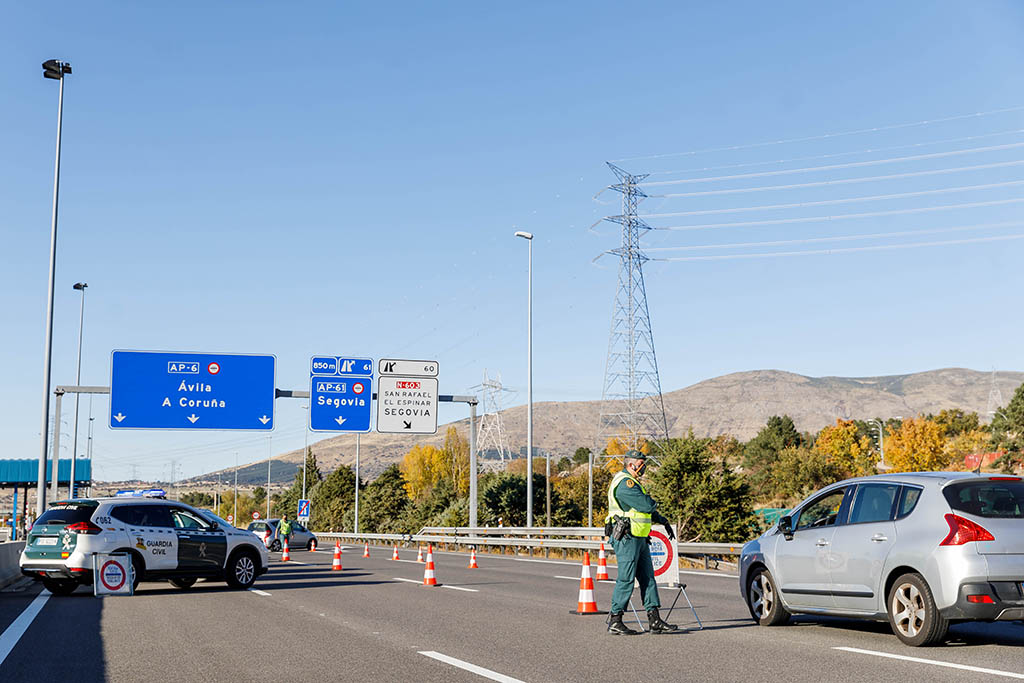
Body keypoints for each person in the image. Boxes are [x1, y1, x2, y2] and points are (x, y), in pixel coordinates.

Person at [605, 450, 681, 635]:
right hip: (626, 538)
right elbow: (646, 505)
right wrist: (652, 502)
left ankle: (654, 620)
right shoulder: (625, 484)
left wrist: (662, 520)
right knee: (626, 579)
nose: (644, 467)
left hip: (639, 537)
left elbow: (645, 510)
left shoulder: (634, 483)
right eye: (641, 464)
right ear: (631, 465)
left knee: (648, 578)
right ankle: (616, 620)